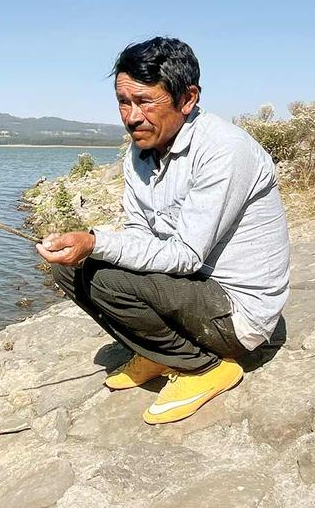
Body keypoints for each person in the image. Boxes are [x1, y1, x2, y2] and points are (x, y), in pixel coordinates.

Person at [37, 37, 290, 424]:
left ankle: (203, 368)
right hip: (192, 290)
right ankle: (159, 353)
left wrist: (96, 242)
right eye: (124, 101)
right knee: (70, 269)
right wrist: (89, 244)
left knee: (104, 277)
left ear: (187, 99)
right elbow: (139, 232)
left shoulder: (224, 149)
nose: (132, 116)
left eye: (144, 101)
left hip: (238, 316)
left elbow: (186, 255)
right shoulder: (139, 153)